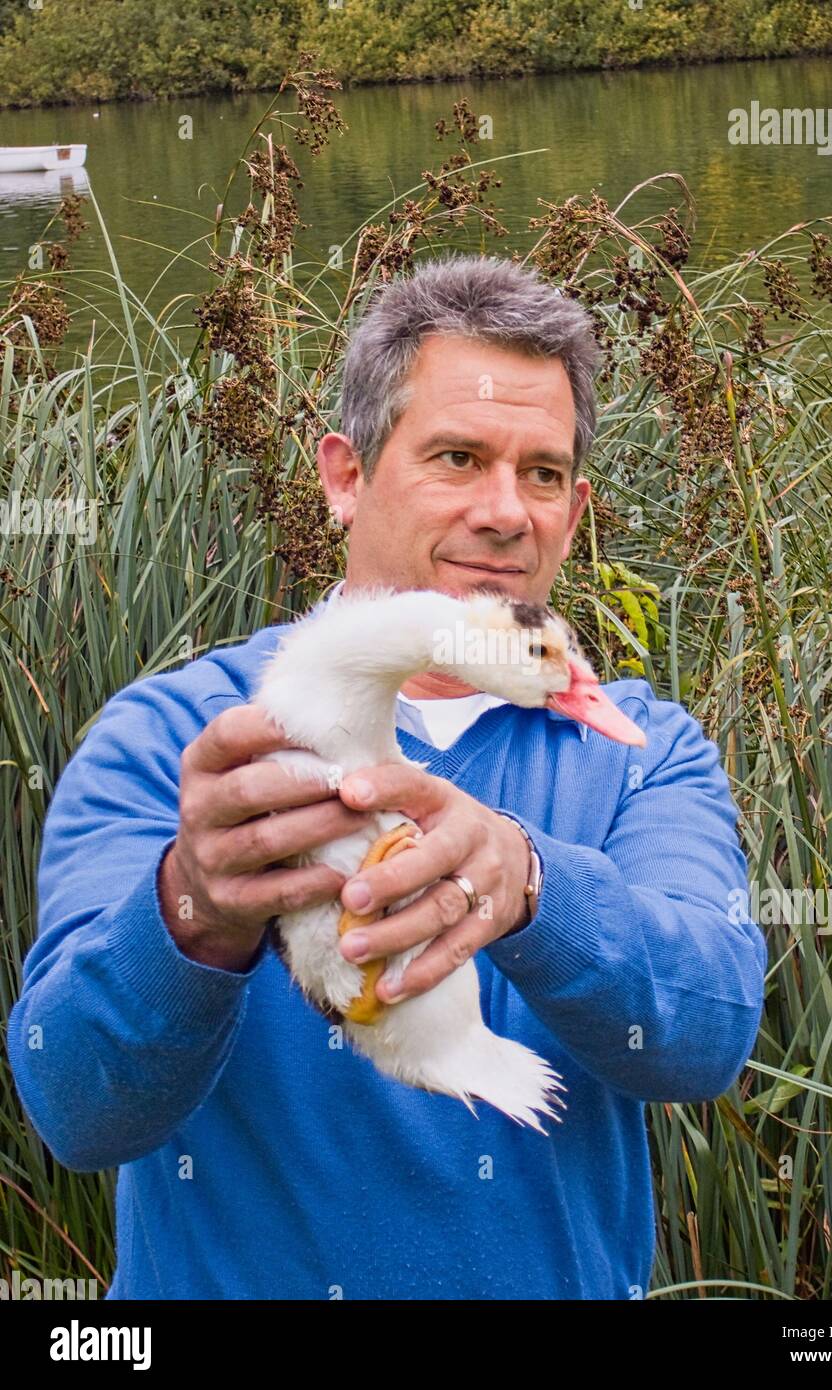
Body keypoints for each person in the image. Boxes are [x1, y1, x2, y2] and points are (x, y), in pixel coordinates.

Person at [8, 254, 767, 1300]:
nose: (508, 511)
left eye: (543, 473)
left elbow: (708, 1033)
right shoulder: (173, 740)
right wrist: (195, 909)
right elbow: (76, 1107)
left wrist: (528, 883)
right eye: (458, 457)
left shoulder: (640, 749)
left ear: (576, 508)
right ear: (345, 474)